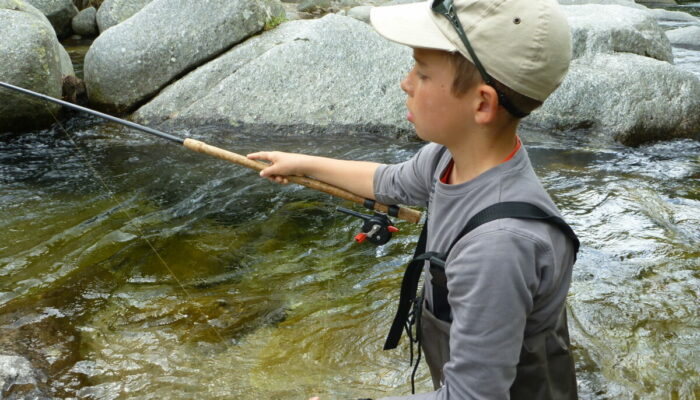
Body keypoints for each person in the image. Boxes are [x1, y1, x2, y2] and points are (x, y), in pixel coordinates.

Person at [247, 0, 578, 398]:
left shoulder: (500, 247)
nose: (406, 83)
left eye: (421, 72)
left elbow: (472, 394)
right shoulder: (448, 158)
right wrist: (305, 164)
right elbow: (389, 182)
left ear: (482, 104)